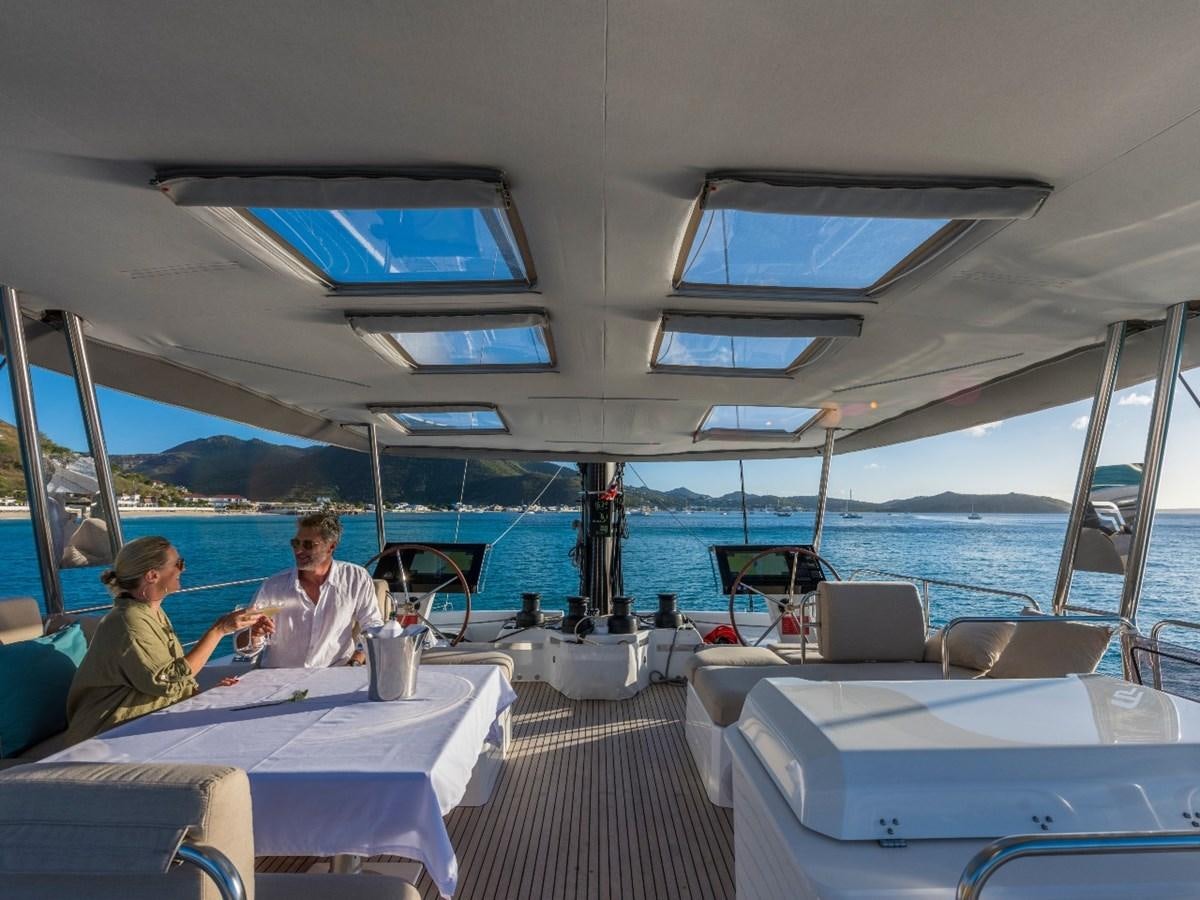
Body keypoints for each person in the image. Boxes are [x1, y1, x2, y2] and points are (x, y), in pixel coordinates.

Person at [65, 536, 269, 744]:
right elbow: (166, 682)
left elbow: (168, 678)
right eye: (179, 564)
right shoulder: (128, 622)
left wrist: (205, 693)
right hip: (107, 733)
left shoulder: (150, 612)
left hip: (140, 722)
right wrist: (219, 629)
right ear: (153, 575)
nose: (183, 569)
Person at [238, 511, 383, 667]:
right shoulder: (273, 587)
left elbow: (373, 627)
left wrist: (356, 659)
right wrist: (253, 635)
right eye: (295, 543)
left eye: (307, 545)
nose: (298, 550)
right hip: (279, 679)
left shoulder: (356, 578)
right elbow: (243, 648)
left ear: (331, 546)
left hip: (334, 675)